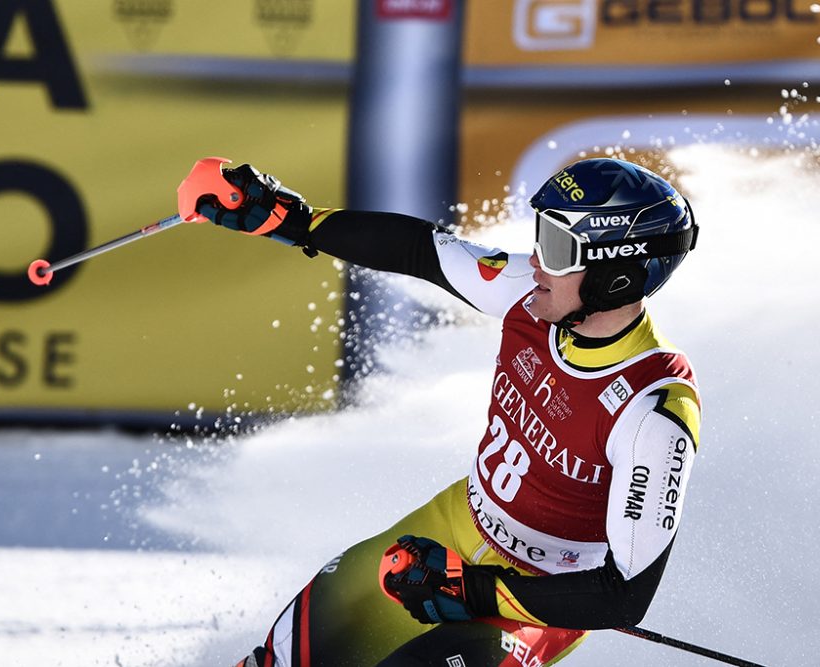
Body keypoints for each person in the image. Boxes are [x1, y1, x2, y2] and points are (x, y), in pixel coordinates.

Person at [196, 157, 701, 667]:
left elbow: (625, 597)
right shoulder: (529, 292)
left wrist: (475, 590)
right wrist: (291, 219)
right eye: (540, 234)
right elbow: (422, 251)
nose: (537, 261)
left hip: (537, 603)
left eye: (556, 246)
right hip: (449, 534)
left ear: (616, 273)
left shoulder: (653, 404)